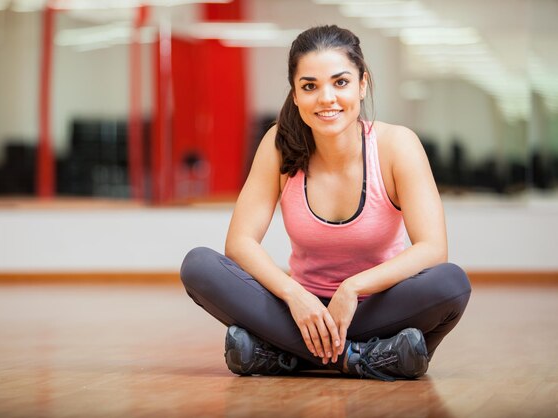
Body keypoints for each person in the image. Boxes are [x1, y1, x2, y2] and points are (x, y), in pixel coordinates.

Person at [180, 25, 471, 381]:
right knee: (198, 266)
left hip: (376, 308)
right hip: (300, 311)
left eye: (341, 82)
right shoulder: (278, 144)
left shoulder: (398, 146)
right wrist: (294, 296)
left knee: (450, 284)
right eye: (310, 86)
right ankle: (365, 357)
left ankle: (282, 355)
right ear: (296, 94)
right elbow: (239, 243)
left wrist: (353, 287)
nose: (326, 98)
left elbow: (432, 249)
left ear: (362, 84)